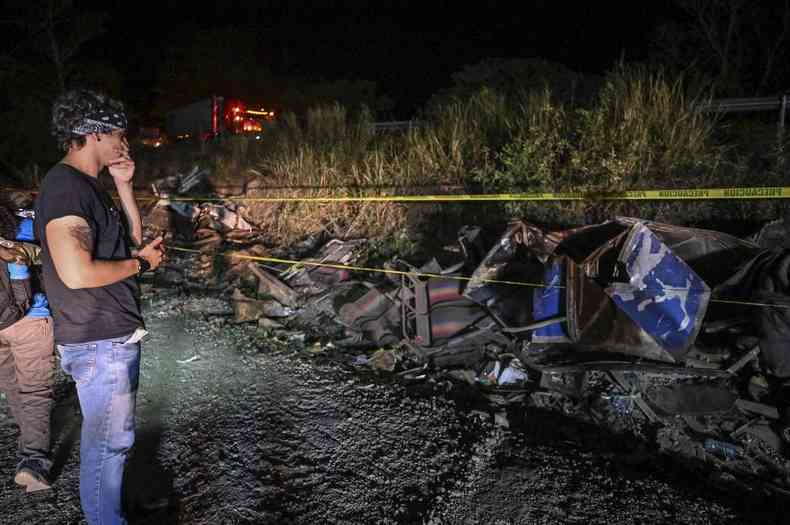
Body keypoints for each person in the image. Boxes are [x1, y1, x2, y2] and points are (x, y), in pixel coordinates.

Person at [34, 88, 164, 525]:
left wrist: (125, 187)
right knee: (108, 444)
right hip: (98, 339)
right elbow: (76, 272)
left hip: (109, 335)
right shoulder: (65, 187)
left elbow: (129, 239)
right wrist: (141, 264)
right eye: (118, 134)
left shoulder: (89, 186)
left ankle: (111, 510)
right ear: (91, 134)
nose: (124, 143)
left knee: (114, 441)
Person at [0, 201, 55, 492]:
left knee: (12, 386)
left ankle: (29, 444)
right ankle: (33, 460)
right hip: (30, 317)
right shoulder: (26, 221)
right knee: (34, 390)